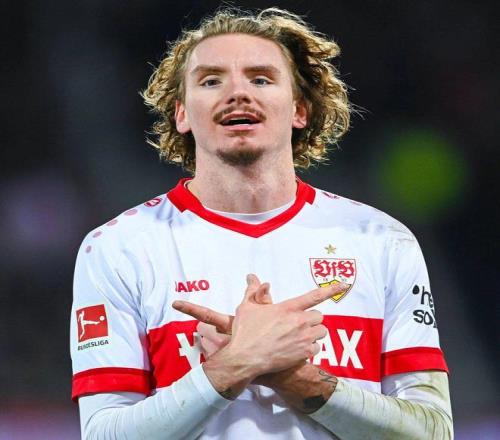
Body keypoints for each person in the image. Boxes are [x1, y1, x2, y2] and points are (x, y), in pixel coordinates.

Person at [70, 7, 453, 439]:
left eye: (261, 79)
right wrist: (234, 365)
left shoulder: (381, 240)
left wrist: (290, 376)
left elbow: (433, 432)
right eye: (211, 81)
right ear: (182, 114)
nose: (237, 92)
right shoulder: (119, 247)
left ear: (299, 109)